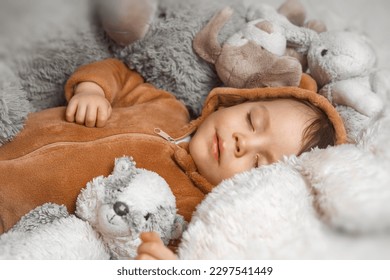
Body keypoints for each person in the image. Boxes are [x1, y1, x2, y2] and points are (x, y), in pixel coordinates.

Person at [0, 59, 346, 242]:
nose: (243, 142)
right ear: (238, 101)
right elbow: (120, 75)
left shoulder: (188, 211)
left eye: (257, 162)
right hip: (12, 127)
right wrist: (93, 90)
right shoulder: (167, 106)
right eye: (252, 121)